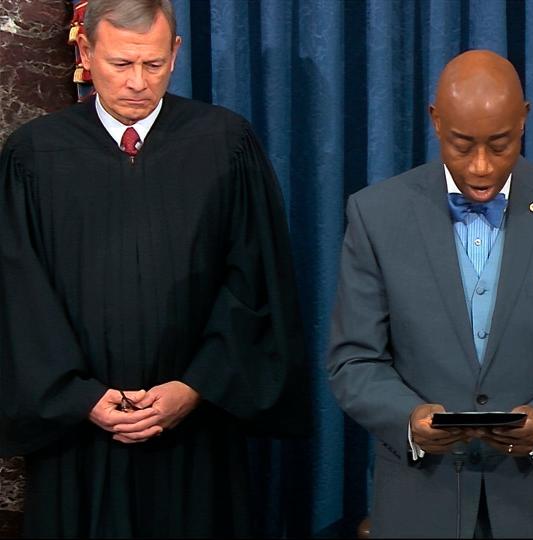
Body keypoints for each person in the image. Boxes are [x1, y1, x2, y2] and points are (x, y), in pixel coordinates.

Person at [0, 0, 307, 536]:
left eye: (154, 64)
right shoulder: (35, 155)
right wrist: (80, 398)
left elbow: (255, 282)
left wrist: (195, 385)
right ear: (87, 53)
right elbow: (17, 294)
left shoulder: (224, 144)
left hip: (195, 431)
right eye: (121, 64)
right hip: (78, 437)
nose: (138, 82)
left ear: (176, 53)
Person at [327, 50, 533, 538]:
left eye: (501, 144)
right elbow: (353, 360)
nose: (482, 168)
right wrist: (408, 420)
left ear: (525, 119)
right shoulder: (375, 215)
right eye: (462, 145)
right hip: (420, 501)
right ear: (435, 121)